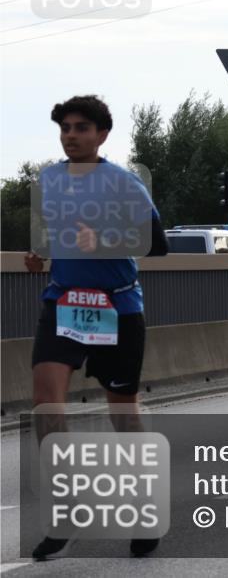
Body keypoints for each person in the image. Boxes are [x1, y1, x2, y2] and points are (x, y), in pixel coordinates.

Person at [28, 95, 169, 560]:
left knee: (123, 413)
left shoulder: (123, 183)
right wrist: (39, 253)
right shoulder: (48, 180)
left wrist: (105, 239)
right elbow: (51, 231)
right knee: (47, 403)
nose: (71, 135)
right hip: (64, 303)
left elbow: (159, 245)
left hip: (117, 307)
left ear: (102, 134)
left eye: (81, 128)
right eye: (65, 128)